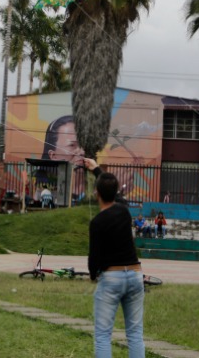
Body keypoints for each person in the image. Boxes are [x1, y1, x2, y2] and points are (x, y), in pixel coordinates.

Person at [84, 157, 144, 357]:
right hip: (135, 275)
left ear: (96, 193)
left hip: (111, 278)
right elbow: (113, 192)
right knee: (135, 333)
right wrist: (96, 169)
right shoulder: (124, 210)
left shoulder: (97, 222)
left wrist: (93, 275)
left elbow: (95, 256)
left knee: (102, 335)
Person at [41, 115, 86, 199]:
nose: (82, 152)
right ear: (53, 155)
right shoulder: (46, 189)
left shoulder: (96, 189)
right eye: (72, 145)